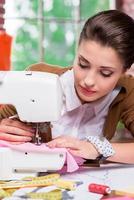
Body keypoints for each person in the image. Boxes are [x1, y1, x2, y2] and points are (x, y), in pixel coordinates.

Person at [0, 10, 134, 164]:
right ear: (77, 52)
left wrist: (98, 148)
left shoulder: (127, 90)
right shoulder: (39, 78)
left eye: (105, 73)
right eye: (83, 64)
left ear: (124, 71)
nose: (89, 81)